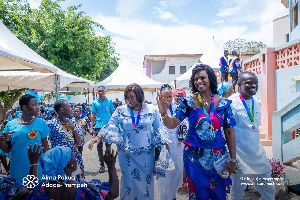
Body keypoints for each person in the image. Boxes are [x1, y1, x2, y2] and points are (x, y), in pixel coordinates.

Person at [157, 64, 237, 199]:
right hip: (194, 157)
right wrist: (164, 113)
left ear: (210, 79)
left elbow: (230, 132)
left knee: (218, 194)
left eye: (202, 77)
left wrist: (233, 160)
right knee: (198, 194)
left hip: (218, 158)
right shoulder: (188, 102)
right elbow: (173, 123)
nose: (199, 81)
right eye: (196, 79)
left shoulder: (224, 103)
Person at [88, 83, 170, 200]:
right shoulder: (121, 110)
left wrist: (166, 144)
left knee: (145, 184)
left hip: (146, 156)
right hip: (127, 155)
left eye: (132, 97)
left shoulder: (151, 109)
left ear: (139, 96)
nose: (129, 100)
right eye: (127, 97)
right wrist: (98, 137)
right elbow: (111, 124)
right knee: (128, 183)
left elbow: (159, 128)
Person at [228, 72, 275, 199]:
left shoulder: (257, 102)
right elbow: (226, 131)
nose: (253, 85)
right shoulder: (230, 103)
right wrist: (232, 158)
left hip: (257, 154)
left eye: (255, 82)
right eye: (249, 82)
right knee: (237, 191)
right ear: (239, 84)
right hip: (239, 155)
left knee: (269, 188)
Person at [25, 145, 119, 200]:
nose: (76, 161)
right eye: (74, 158)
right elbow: (112, 193)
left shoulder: (41, 188)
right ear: (70, 163)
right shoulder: (85, 190)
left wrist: (33, 163)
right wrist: (111, 167)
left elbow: (29, 188)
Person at [0, 94, 50, 184]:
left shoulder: (41, 123)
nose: (38, 107)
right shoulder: (10, 125)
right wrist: (0, 140)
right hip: (17, 167)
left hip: (37, 167)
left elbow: (46, 148)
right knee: (19, 193)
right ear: (24, 107)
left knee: (36, 194)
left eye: (37, 105)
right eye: (34, 105)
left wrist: (49, 166)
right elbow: (7, 150)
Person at [156, 84, 185, 200]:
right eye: (165, 97)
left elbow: (183, 123)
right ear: (160, 97)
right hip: (163, 149)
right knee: (164, 179)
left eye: (169, 96)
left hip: (177, 147)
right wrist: (163, 142)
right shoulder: (155, 110)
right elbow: (156, 128)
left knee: (176, 176)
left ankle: (172, 197)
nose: (167, 99)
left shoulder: (177, 108)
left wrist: (183, 133)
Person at [47, 99, 85, 181]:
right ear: (62, 110)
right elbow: (45, 142)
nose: (71, 109)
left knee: (75, 183)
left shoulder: (72, 123)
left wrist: (73, 128)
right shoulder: (51, 124)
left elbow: (78, 142)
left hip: (73, 158)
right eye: (69, 106)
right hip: (59, 160)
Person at [89, 86, 115, 173]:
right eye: (99, 91)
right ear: (97, 92)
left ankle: (109, 164)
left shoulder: (110, 102)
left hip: (108, 127)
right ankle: (102, 165)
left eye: (102, 91)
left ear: (105, 91)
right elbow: (93, 115)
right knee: (99, 147)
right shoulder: (95, 103)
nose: (101, 92)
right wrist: (91, 127)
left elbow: (113, 114)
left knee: (108, 147)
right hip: (98, 127)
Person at [173, 88, 189, 191]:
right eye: (177, 95)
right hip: (174, 138)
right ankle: (177, 181)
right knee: (177, 161)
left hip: (186, 137)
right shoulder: (172, 107)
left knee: (185, 161)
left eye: (181, 95)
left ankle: (184, 181)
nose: (179, 97)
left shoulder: (187, 106)